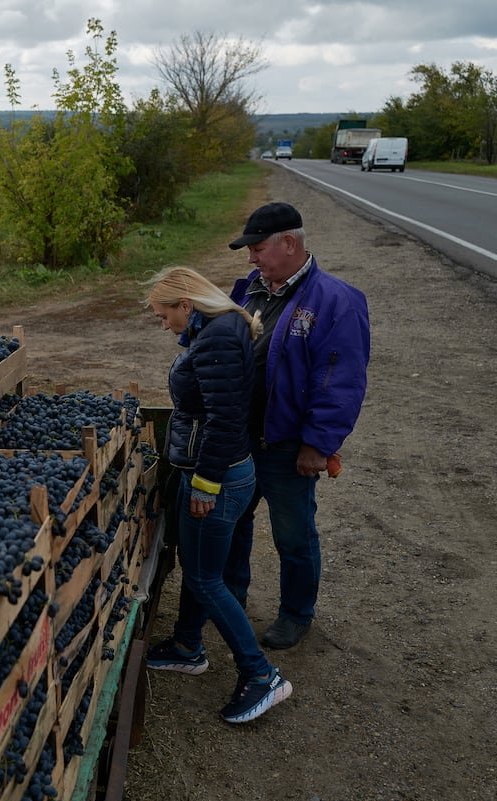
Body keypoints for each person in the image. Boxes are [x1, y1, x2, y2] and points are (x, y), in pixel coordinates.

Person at [143, 266, 293, 724]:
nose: (162, 323)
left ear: (185, 304)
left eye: (162, 314)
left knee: (208, 578)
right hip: (216, 472)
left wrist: (205, 484)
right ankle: (188, 646)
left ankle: (261, 675)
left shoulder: (217, 339)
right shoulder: (215, 329)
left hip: (219, 478)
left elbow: (225, 420)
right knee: (199, 568)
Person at [225, 201, 371, 649]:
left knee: (293, 534)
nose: (250, 257)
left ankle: (296, 613)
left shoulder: (335, 301)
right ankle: (231, 599)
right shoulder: (250, 289)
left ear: (290, 243)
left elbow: (338, 381)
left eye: (257, 248)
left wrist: (318, 444)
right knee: (233, 523)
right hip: (241, 438)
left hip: (287, 445)